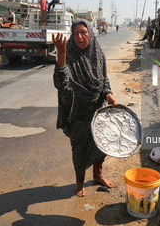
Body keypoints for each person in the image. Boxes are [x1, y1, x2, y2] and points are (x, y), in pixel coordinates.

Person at [53, 19, 117, 197]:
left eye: (83, 32)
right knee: (80, 149)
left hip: (97, 110)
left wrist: (108, 94)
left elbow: (104, 80)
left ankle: (98, 175)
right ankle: (80, 182)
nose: (79, 37)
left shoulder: (98, 53)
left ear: (90, 33)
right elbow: (61, 84)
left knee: (101, 146)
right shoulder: (69, 54)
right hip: (77, 113)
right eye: (75, 33)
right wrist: (61, 55)